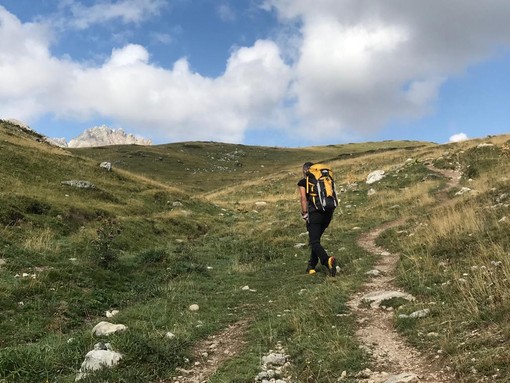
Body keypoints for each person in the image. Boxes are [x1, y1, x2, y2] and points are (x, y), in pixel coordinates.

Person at [297, 162, 337, 276]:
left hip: (314, 214)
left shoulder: (303, 182)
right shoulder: (324, 179)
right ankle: (311, 266)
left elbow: (303, 198)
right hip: (328, 213)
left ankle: (326, 260)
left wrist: (304, 213)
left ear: (305, 171)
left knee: (314, 241)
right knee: (316, 240)